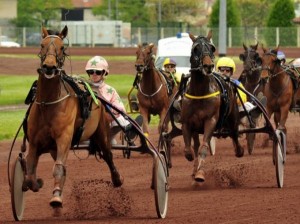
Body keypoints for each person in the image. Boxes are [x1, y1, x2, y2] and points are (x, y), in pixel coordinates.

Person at [85, 56, 143, 144]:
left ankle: (129, 130)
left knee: (121, 118)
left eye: (98, 72)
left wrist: (107, 112)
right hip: (88, 128)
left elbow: (120, 109)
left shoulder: (110, 90)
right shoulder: (83, 88)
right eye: (91, 71)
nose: (94, 74)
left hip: (107, 125)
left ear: (104, 73)